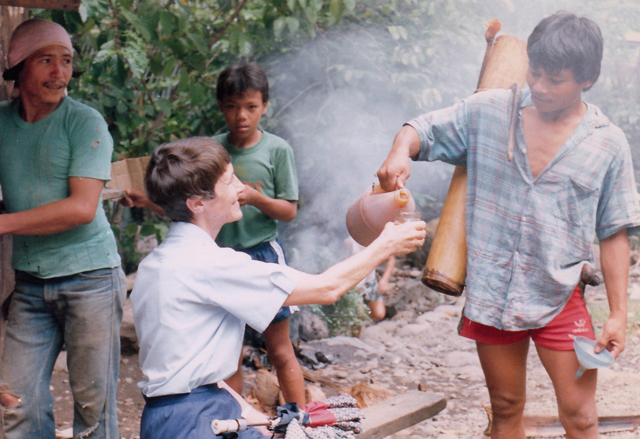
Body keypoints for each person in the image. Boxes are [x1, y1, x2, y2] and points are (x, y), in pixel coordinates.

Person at [376, 12, 640, 439]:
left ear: (587, 79)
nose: (539, 86)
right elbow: (420, 130)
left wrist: (618, 314)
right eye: (535, 72)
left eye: (555, 80)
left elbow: (613, 232)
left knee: (581, 417)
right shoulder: (489, 111)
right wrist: (398, 152)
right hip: (494, 293)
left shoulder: (607, 142)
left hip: (561, 295)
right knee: (505, 407)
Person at [130, 137, 426, 439]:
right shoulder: (208, 264)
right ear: (197, 203)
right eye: (229, 181)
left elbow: (202, 379)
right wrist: (385, 244)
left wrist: (268, 427)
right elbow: (327, 288)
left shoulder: (155, 264)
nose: (239, 187)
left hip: (170, 416)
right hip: (193, 422)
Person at [0, 18, 126, 439]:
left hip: (90, 279)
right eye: (46, 61)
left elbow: (81, 208)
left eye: (67, 61)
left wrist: (4, 223)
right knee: (17, 403)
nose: (60, 73)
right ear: (19, 69)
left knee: (94, 412)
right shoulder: (2, 123)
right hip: (31, 284)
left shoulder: (85, 122)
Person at [212, 62, 304, 405]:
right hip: (222, 259)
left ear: (264, 106)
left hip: (263, 255)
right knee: (228, 354)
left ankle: (300, 421)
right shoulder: (212, 151)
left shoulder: (277, 150)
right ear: (221, 105)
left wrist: (255, 197)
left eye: (251, 107)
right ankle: (233, 424)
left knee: (279, 349)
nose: (241, 116)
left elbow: (289, 210)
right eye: (233, 107)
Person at [344, 237, 395, 321]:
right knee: (358, 315)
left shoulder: (376, 239)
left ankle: (357, 317)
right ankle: (354, 324)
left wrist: (384, 280)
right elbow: (343, 263)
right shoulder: (349, 242)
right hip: (355, 285)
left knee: (379, 314)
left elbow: (391, 260)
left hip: (370, 282)